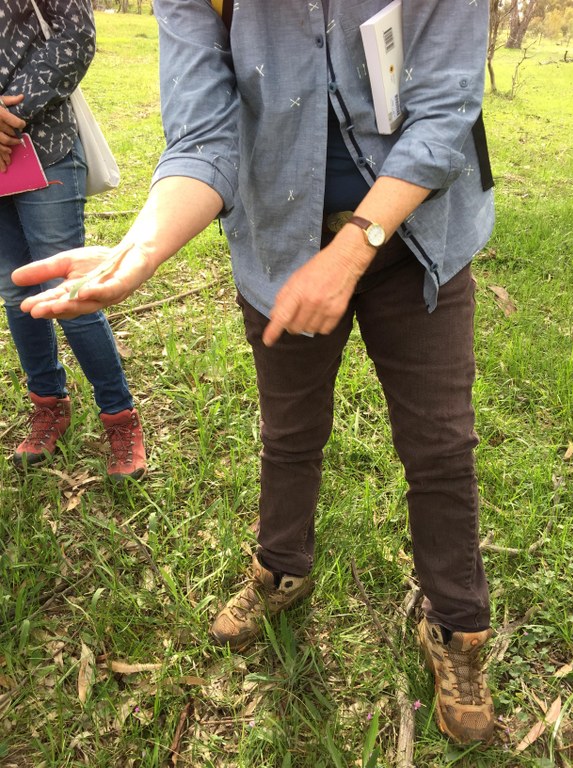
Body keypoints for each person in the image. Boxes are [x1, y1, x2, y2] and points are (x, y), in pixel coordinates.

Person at [13, 0, 496, 744]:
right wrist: (140, 248)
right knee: (290, 432)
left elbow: (447, 110)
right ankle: (281, 569)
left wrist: (354, 247)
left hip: (419, 240)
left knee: (440, 447)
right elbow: (205, 139)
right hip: (282, 240)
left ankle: (458, 629)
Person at [0, 0, 146, 482]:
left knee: (70, 291)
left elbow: (76, 36)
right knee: (14, 289)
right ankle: (49, 405)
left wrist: (7, 113)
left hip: (44, 146)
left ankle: (119, 416)